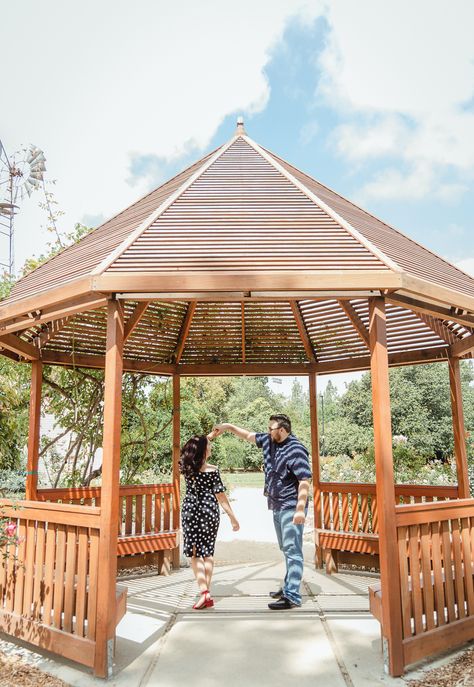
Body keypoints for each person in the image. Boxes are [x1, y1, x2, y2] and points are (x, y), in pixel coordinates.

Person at [213, 415, 311, 609]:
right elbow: (247, 435)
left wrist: (300, 510)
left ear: (282, 430)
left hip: (291, 506)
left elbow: (304, 481)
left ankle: (292, 596)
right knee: (286, 548)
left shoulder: (296, 450)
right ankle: (288, 586)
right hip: (276, 505)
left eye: (271, 428)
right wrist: (228, 426)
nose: (267, 431)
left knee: (293, 550)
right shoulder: (269, 440)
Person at [180, 431, 240, 610]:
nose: (211, 446)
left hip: (190, 510)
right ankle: (206, 592)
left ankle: (204, 592)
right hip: (208, 511)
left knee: (194, 553)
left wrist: (208, 437)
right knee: (207, 552)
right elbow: (221, 498)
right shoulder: (213, 471)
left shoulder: (186, 465)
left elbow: (191, 445)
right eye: (209, 445)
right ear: (204, 450)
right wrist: (233, 517)